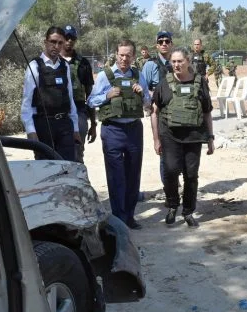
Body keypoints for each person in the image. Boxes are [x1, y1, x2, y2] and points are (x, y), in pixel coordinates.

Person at [88, 39, 151, 229]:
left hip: (133, 129)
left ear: (133, 56)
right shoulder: (104, 76)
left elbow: (148, 103)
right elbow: (91, 101)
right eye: (121, 55)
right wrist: (106, 96)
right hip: (112, 130)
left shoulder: (138, 76)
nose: (124, 59)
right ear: (116, 55)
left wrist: (142, 94)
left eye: (128, 55)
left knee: (133, 174)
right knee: (116, 175)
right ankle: (119, 219)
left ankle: (130, 216)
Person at [150, 46, 215, 227]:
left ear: (188, 62)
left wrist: (210, 138)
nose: (177, 65)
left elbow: (207, 111)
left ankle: (188, 211)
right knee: (170, 171)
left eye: (180, 61)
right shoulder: (164, 83)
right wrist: (156, 139)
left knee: (191, 175)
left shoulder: (200, 82)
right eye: (174, 62)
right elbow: (155, 112)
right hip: (170, 136)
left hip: (194, 136)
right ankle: (172, 205)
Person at [21, 26, 81, 161]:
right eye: (53, 42)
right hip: (43, 125)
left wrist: (75, 128)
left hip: (65, 125)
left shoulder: (65, 66)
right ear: (45, 42)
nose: (56, 46)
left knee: (67, 168)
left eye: (60, 43)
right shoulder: (34, 66)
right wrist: (31, 133)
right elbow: (27, 104)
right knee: (46, 170)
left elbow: (70, 98)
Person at [142, 31, 174, 185]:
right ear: (157, 45)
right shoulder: (150, 65)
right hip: (160, 114)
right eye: (160, 42)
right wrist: (156, 94)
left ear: (171, 44)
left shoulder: (178, 62)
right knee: (164, 152)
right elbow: (142, 88)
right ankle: (169, 189)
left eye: (167, 41)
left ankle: (176, 183)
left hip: (179, 113)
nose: (164, 44)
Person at [61, 25, 96, 163]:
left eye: (72, 38)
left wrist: (93, 124)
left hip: (79, 110)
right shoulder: (53, 61)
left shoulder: (83, 63)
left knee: (77, 152)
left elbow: (90, 95)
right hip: (59, 113)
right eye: (66, 37)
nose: (69, 41)